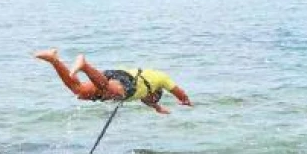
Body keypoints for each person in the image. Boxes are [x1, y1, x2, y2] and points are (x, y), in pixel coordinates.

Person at [35, 49, 192, 114]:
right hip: (126, 79)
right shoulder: (159, 79)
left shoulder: (148, 96)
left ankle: (53, 59)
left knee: (79, 91)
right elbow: (178, 91)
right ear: (154, 94)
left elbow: (152, 103)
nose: (146, 100)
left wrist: (158, 108)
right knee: (114, 92)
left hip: (111, 75)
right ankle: (84, 65)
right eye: (151, 99)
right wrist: (186, 101)